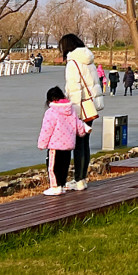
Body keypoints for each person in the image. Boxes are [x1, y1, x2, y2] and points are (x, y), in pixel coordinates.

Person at [61, 34, 104, 191]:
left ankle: (79, 180)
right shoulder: (89, 60)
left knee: (79, 144)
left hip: (81, 108)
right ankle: (82, 178)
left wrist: (73, 113)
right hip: (90, 107)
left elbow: (74, 89)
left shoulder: (73, 62)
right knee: (85, 143)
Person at [37, 86, 89, 196]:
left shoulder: (51, 112)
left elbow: (46, 130)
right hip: (69, 144)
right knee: (64, 166)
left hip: (55, 145)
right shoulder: (71, 110)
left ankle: (55, 187)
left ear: (50, 100)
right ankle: (62, 185)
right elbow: (78, 125)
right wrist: (83, 131)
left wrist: (42, 144)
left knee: (53, 166)